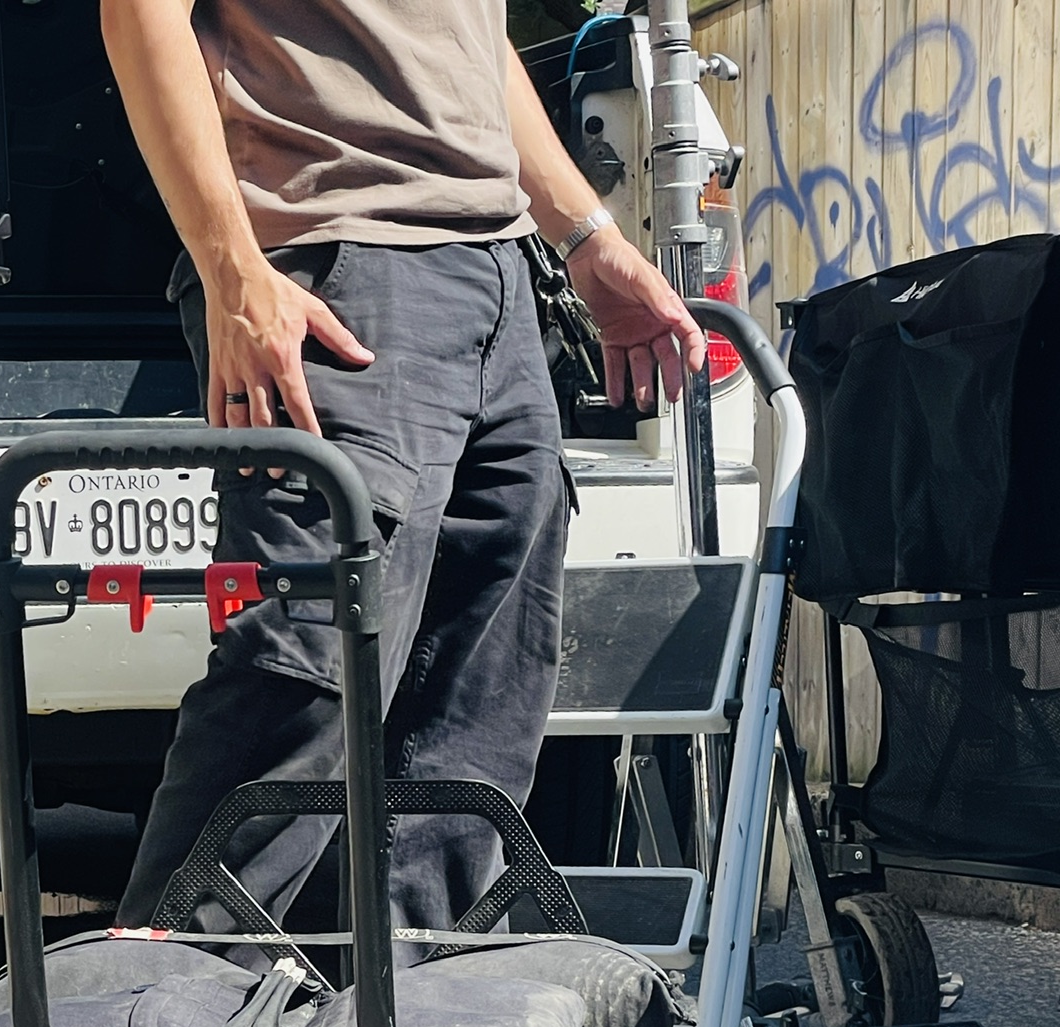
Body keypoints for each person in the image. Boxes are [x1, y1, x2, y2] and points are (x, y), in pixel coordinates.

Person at [103, 0, 706, 934]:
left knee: (480, 705)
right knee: (306, 682)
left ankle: (414, 999)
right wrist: (233, 272)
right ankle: (159, 992)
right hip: (340, 268)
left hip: (502, 275)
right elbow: (140, 13)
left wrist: (588, 241)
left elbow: (473, 47)